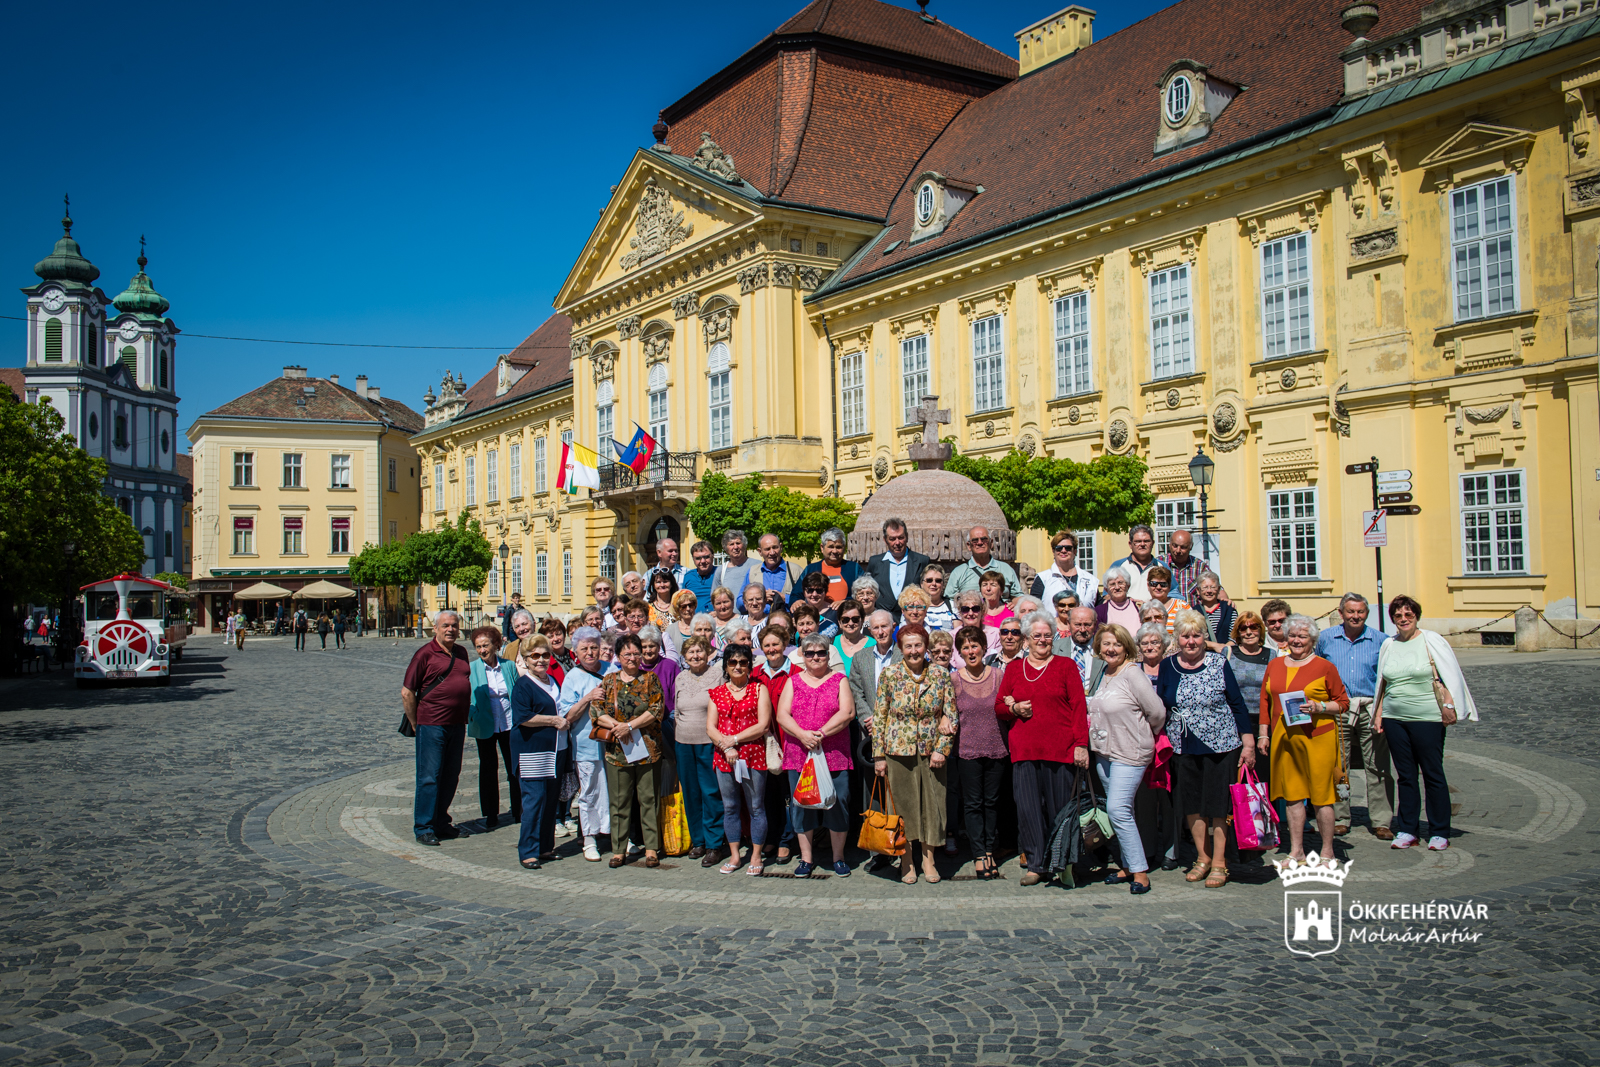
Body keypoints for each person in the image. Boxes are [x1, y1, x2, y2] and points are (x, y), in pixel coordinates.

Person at [1155, 610, 1255, 889]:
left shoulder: (1218, 663)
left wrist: (1248, 742)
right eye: (1185, 636)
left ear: (1204, 638)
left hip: (1220, 745)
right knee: (1191, 805)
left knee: (1218, 806)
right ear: (1177, 638)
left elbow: (1237, 703)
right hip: (1182, 746)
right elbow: (1161, 705)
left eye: (1196, 635)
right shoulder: (1167, 666)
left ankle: (1220, 863)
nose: (1191, 641)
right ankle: (1202, 858)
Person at [1375, 595, 1477, 852]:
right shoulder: (1389, 644)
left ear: (1416, 615)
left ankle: (1439, 830)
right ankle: (1408, 829)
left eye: (1408, 614)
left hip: (1427, 716)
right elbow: (1383, 682)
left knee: (1432, 774)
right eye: (1398, 616)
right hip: (1394, 717)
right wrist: (1379, 714)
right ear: (1393, 620)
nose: (1404, 619)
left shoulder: (1431, 640)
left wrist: (1450, 706)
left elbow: (1449, 675)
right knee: (1405, 776)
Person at [996, 612, 1091, 886]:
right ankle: (1036, 864)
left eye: (1047, 635)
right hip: (1025, 750)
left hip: (1060, 750)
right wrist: (1014, 707)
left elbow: (1078, 709)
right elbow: (999, 707)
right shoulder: (1014, 669)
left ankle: (1062, 863)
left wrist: (1081, 745)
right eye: (1036, 635)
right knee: (1028, 810)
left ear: (1054, 638)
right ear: (1026, 639)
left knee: (1060, 810)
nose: (1042, 640)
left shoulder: (1066, 666)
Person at [1258, 615, 1351, 863]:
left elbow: (1343, 703)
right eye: (1293, 635)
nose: (1296, 640)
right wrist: (1263, 734)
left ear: (1312, 639)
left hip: (1317, 738)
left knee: (1322, 797)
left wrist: (1320, 707)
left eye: (1302, 636)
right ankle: (1296, 850)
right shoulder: (1275, 664)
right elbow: (1265, 702)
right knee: (1293, 796)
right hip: (1285, 738)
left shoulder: (1324, 667)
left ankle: (1327, 851)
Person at [873, 626, 957, 884]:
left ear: (926, 647)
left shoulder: (940, 675)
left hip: (932, 752)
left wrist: (942, 749)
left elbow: (951, 715)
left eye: (918, 645)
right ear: (900, 648)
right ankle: (907, 859)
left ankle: (929, 859)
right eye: (908, 646)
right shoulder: (890, 674)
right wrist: (878, 755)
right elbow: (880, 716)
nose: (913, 651)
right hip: (898, 750)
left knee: (932, 806)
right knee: (903, 806)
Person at [1088, 623, 1167, 894]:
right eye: (1106, 644)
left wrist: (1142, 733)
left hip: (1130, 752)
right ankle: (1127, 865)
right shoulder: (1103, 672)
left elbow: (1157, 712)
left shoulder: (1132, 674)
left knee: (1117, 810)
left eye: (1117, 644)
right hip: (1105, 752)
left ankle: (1140, 872)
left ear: (1126, 647)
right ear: (1098, 648)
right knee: (1123, 812)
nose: (1111, 649)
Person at [776, 633, 857, 878]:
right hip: (800, 753)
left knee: (838, 802)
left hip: (834, 753)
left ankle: (838, 857)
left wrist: (820, 733)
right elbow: (782, 715)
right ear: (803, 655)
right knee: (801, 804)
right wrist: (802, 735)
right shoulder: (793, 681)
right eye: (809, 653)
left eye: (820, 653)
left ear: (828, 655)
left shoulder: (839, 680)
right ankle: (806, 858)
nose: (815, 657)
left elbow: (848, 712)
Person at [1315, 593, 1393, 839]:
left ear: (1366, 614)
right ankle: (1341, 817)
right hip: (1338, 708)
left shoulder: (1380, 640)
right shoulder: (1326, 639)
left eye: (1360, 612)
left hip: (1370, 707)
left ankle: (1382, 820)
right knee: (1340, 766)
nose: (1355, 616)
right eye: (1350, 611)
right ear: (1341, 613)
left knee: (1377, 766)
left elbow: (1387, 677)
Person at [591, 633, 667, 867]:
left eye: (636, 653)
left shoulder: (650, 679)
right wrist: (617, 727)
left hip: (647, 749)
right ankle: (618, 849)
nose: (632, 657)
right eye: (627, 654)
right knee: (619, 801)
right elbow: (597, 710)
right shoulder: (609, 680)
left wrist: (630, 725)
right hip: (617, 750)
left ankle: (651, 847)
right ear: (618, 656)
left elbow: (656, 708)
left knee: (649, 800)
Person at [401, 610, 473, 847]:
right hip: (431, 724)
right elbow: (407, 692)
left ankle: (442, 822)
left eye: (454, 625)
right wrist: (415, 722)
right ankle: (424, 827)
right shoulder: (424, 654)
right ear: (435, 628)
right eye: (445, 626)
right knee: (429, 777)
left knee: (451, 775)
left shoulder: (461, 652)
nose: (450, 629)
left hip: (456, 724)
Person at [706, 644, 772, 875]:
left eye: (743, 662)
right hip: (725, 756)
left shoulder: (758, 689)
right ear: (726, 665)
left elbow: (762, 725)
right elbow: (710, 728)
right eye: (733, 662)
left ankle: (755, 854)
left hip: (753, 755)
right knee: (730, 806)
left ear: (749, 666)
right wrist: (726, 747)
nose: (738, 666)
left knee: (756, 806)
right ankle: (735, 855)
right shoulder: (717, 692)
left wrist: (732, 740)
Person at [508, 635, 569, 868]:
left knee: (550, 801)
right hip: (533, 751)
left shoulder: (553, 680)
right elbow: (522, 718)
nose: (541, 660)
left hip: (557, 750)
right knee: (534, 800)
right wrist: (553, 720)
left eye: (545, 655)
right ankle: (528, 850)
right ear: (525, 659)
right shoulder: (524, 685)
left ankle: (545, 847)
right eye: (535, 656)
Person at [951, 625, 1007, 879]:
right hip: (968, 750)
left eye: (975, 646)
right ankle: (979, 854)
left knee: (992, 803)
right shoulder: (954, 680)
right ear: (960, 652)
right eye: (965, 647)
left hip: (996, 748)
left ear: (984, 648)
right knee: (973, 804)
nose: (971, 651)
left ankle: (990, 849)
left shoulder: (998, 675)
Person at [673, 636, 729, 866]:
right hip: (683, 743)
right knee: (691, 793)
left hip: (708, 742)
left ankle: (714, 844)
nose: (695, 656)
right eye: (690, 652)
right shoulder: (680, 677)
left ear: (708, 653)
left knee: (711, 792)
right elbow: (676, 711)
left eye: (699, 651)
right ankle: (698, 841)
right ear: (684, 656)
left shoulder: (717, 674)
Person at [558, 627, 611, 862]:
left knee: (616, 791)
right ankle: (589, 839)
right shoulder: (572, 677)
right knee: (589, 791)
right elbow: (567, 717)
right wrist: (588, 698)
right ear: (575, 652)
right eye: (584, 649)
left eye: (594, 647)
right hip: (585, 745)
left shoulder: (612, 670)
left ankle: (618, 836)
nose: (590, 652)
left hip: (614, 745)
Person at [468, 625, 522, 831]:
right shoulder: (473, 668)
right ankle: (491, 814)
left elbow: (516, 692)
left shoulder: (508, 666)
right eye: (478, 647)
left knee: (514, 768)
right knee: (488, 769)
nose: (482, 650)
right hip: (485, 724)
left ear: (496, 645)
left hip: (508, 723)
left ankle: (518, 810)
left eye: (486, 646)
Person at [754, 624, 798, 864]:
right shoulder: (755, 674)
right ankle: (773, 835)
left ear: (785, 645)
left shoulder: (797, 672)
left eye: (776, 644)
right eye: (767, 645)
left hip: (789, 740)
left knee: (788, 793)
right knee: (768, 793)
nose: (771, 649)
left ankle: (786, 840)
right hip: (764, 743)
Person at [863, 518, 931, 622]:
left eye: (901, 538)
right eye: (892, 539)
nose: (897, 542)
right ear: (885, 540)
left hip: (912, 620)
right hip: (883, 622)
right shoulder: (875, 562)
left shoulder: (922, 561)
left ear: (907, 537)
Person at [946, 527, 1022, 601]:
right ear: (969, 546)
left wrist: (1015, 604)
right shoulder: (958, 572)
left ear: (991, 543)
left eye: (984, 539)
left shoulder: (1006, 569)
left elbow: (1018, 596)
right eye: (975, 540)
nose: (980, 543)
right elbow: (949, 600)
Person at [791, 528, 861, 608]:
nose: (834, 551)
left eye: (838, 547)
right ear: (822, 547)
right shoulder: (811, 569)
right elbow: (796, 593)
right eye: (831, 547)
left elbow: (865, 592)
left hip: (847, 616)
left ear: (844, 548)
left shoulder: (854, 568)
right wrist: (796, 601)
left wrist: (847, 602)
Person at [1032, 531, 1099, 609]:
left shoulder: (1090, 580)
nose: (1063, 551)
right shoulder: (1043, 578)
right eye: (1059, 548)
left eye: (1068, 548)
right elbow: (1033, 608)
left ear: (1075, 551)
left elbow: (1099, 609)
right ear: (1053, 551)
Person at [1057, 606, 1104, 694]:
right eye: (1077, 625)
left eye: (1087, 625)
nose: (1082, 630)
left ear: (1095, 624)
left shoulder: (1104, 650)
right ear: (1068, 623)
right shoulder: (1054, 649)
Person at [1107, 525, 1158, 602]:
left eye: (1146, 541)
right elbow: (1107, 595)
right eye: (1138, 541)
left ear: (1153, 543)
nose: (1142, 544)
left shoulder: (1161, 566)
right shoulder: (1118, 566)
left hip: (1153, 612)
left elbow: (1173, 593)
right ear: (1130, 544)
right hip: (1124, 612)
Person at [714, 529, 759, 611]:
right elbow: (715, 597)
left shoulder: (757, 565)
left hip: (754, 618)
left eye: (738, 543)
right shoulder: (721, 571)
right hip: (730, 620)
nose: (735, 547)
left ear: (744, 545)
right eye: (731, 544)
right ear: (726, 549)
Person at [1160, 529, 1208, 606]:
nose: (1178, 550)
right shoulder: (1159, 563)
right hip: (1165, 614)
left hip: (1192, 615)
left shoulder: (1200, 566)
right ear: (1169, 544)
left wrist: (1225, 599)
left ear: (1190, 547)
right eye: (1175, 546)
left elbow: (1215, 589)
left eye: (1183, 547)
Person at [1144, 567, 1191, 634]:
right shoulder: (1143, 607)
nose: (1158, 587)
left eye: (1163, 585)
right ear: (1148, 585)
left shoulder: (1182, 606)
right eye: (1154, 584)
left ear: (1169, 587)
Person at [755, 533, 798, 604]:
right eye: (767, 549)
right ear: (760, 551)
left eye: (775, 547)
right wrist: (760, 597)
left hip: (788, 614)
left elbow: (807, 598)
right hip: (762, 615)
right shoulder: (753, 572)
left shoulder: (796, 571)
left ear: (781, 547)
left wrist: (785, 598)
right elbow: (740, 601)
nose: (772, 552)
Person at [1096, 570, 1140, 634]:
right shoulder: (1100, 611)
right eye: (1112, 584)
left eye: (1120, 583)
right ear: (1106, 589)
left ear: (1128, 586)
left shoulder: (1138, 607)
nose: (1117, 587)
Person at [682, 540, 720, 613]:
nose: (702, 561)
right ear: (693, 559)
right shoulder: (688, 576)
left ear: (713, 556)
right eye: (698, 558)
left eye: (706, 557)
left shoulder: (720, 573)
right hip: (693, 620)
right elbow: (683, 600)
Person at [664, 589, 699, 658]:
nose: (688, 609)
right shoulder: (670, 630)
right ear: (677, 609)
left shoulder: (702, 626)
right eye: (683, 607)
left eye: (690, 605)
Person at [920, 565, 956, 632]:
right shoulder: (915, 606)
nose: (934, 583)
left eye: (938, 581)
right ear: (921, 584)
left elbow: (957, 634)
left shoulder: (953, 606)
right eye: (929, 580)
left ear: (943, 584)